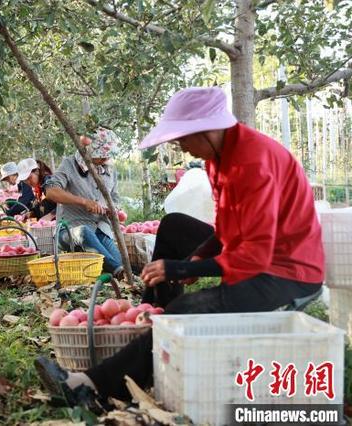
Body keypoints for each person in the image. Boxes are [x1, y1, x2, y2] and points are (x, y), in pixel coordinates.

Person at [34, 87, 324, 409]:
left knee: (183, 314)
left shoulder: (253, 163)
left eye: (183, 138)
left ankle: (92, 385)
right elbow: (227, 231)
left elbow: (256, 255)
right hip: (259, 258)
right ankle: (149, 316)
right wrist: (197, 257)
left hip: (288, 273)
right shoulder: (218, 158)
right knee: (173, 226)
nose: (182, 147)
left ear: (209, 129)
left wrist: (184, 268)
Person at [44, 127, 124, 278]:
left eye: (106, 156)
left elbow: (116, 199)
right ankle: (118, 271)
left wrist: (111, 208)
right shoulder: (69, 164)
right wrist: (83, 202)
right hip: (69, 232)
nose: (105, 159)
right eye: (101, 155)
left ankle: (118, 271)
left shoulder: (109, 171)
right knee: (84, 232)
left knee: (117, 261)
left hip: (100, 229)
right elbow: (51, 191)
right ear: (90, 151)